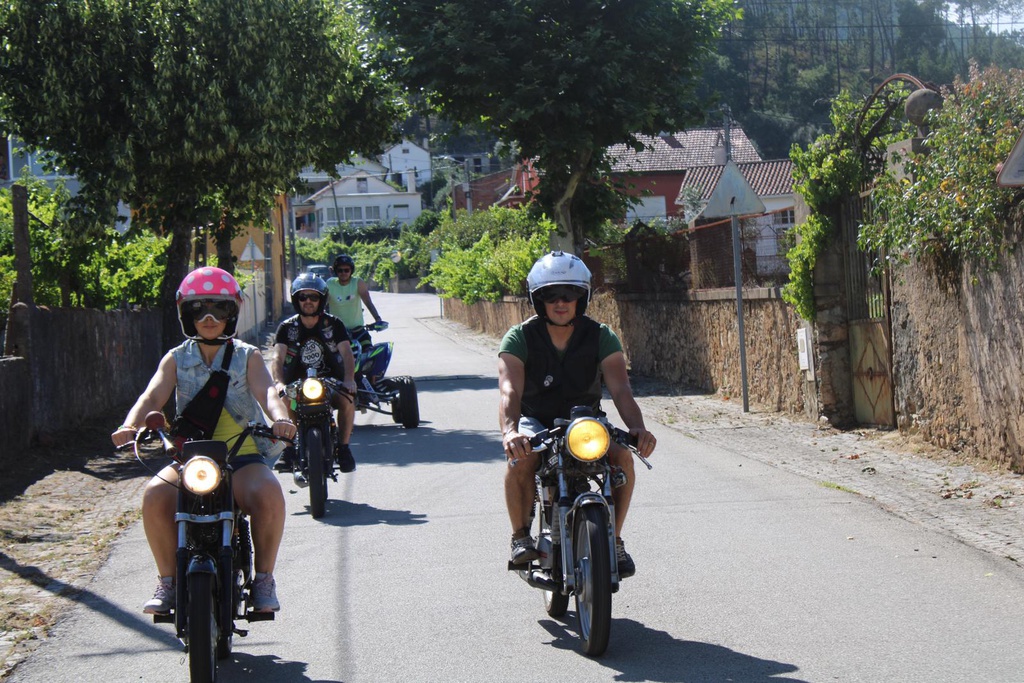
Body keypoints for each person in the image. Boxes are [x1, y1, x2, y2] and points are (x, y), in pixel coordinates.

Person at [111, 266, 297, 614]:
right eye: (199, 310)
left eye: (219, 309)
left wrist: (281, 418)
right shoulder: (176, 359)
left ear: (232, 313)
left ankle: (264, 580)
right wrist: (129, 425)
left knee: (270, 493)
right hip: (190, 460)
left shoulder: (247, 355)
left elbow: (267, 392)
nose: (209, 318)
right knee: (154, 495)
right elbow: (151, 397)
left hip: (240, 457)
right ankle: (167, 582)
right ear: (186, 316)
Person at [498, 251, 657, 577]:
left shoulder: (601, 335)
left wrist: (638, 428)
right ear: (537, 298)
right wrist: (511, 432)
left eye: (569, 294)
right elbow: (509, 391)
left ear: (581, 298)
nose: (561, 302)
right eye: (551, 294)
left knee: (622, 458)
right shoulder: (519, 338)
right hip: (536, 421)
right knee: (521, 459)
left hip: (586, 421)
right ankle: (519, 537)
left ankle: (613, 540)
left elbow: (621, 389)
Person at [272, 273, 358, 478]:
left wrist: (349, 380)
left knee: (348, 401)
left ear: (322, 299)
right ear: (296, 300)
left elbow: (347, 353)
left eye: (313, 297)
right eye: (303, 297)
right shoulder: (286, 328)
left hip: (331, 381)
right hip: (297, 385)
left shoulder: (334, 325)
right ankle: (290, 449)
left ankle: (344, 448)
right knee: (285, 401)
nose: (308, 301)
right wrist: (279, 383)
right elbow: (277, 357)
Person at [326, 254, 386, 349]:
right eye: (340, 270)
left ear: (351, 270)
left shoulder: (358, 282)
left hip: (358, 332)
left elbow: (368, 302)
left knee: (369, 352)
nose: (343, 273)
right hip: (336, 333)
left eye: (346, 270)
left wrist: (378, 319)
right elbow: (321, 306)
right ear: (336, 271)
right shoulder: (329, 284)